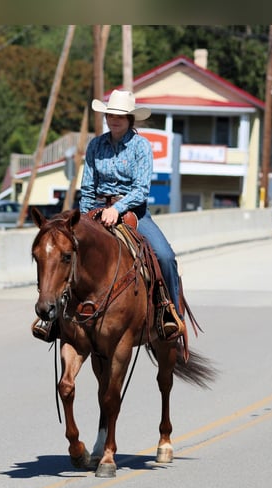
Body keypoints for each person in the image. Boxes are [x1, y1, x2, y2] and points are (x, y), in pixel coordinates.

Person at [33, 89, 184, 342]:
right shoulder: (95, 145)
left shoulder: (141, 147)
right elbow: (88, 187)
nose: (114, 120)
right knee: (61, 251)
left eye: (120, 116)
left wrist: (117, 209)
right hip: (95, 211)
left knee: (165, 256)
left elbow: (141, 190)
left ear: (129, 119)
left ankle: (169, 312)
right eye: (110, 115)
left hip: (133, 211)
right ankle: (53, 317)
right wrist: (82, 221)